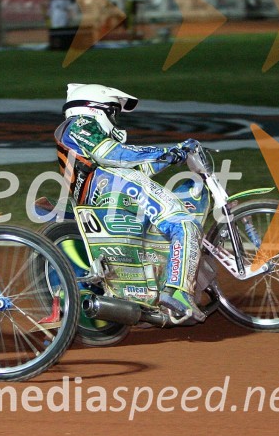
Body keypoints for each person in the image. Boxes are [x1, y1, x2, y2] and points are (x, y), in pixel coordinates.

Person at [55, 83, 205, 323]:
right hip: (114, 187)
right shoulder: (81, 124)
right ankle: (179, 292)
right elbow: (116, 155)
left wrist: (172, 155)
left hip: (108, 195)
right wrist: (168, 151)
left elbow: (136, 165)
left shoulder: (78, 138)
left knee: (165, 231)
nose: (115, 119)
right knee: (185, 224)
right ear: (95, 109)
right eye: (113, 112)